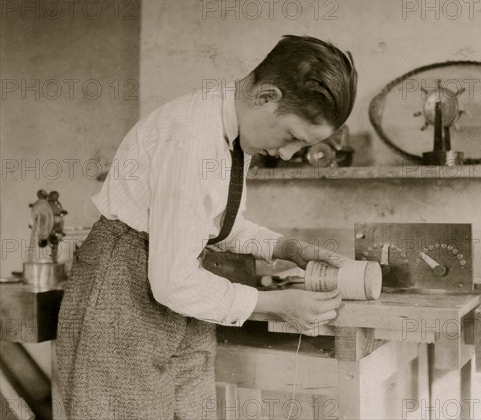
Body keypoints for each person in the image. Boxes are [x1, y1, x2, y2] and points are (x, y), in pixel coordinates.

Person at [57, 35, 357, 419]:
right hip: (122, 291)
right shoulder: (190, 137)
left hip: (177, 285)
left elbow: (213, 224)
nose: (286, 154)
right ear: (267, 96)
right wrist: (279, 304)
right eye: (291, 137)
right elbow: (173, 282)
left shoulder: (232, 132)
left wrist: (284, 247)